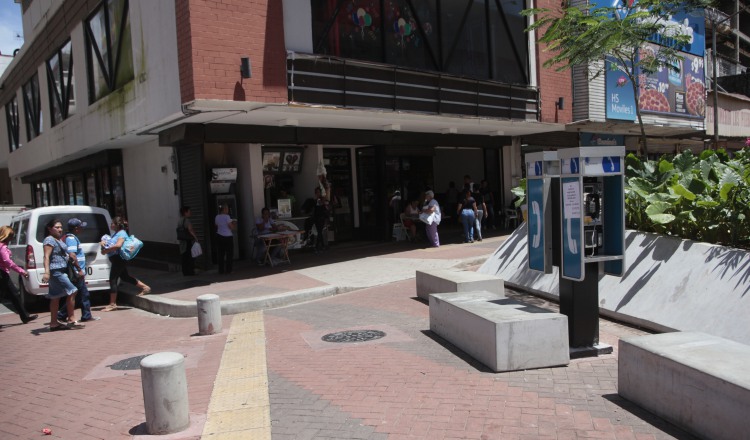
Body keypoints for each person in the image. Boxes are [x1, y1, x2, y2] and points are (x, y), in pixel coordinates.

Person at [100, 216, 151, 311]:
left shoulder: (122, 233)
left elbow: (118, 245)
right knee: (125, 277)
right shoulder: (116, 233)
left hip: (119, 259)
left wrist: (107, 250)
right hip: (116, 259)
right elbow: (111, 243)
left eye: (112, 223)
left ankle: (112, 304)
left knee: (113, 279)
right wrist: (103, 243)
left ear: (117, 225)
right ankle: (145, 287)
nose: (111, 224)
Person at [42, 219, 83, 330]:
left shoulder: (57, 239)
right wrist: (46, 272)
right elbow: (46, 256)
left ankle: (54, 323)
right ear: (50, 229)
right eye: (57, 227)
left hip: (61, 270)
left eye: (61, 227)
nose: (60, 229)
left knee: (55, 297)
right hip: (56, 271)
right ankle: (71, 318)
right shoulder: (49, 240)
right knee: (73, 290)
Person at [57, 218, 99, 323]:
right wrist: (79, 269)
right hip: (76, 272)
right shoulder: (71, 239)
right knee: (82, 294)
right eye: (80, 227)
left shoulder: (71, 237)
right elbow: (72, 255)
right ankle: (80, 315)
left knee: (78, 294)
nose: (82, 229)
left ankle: (66, 315)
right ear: (76, 229)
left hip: (77, 271)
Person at [0, 226, 37, 324]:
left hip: (3, 273)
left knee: (14, 294)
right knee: (12, 294)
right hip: (2, 274)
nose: (12, 238)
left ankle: (25, 316)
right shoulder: (2, 247)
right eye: (11, 236)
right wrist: (21, 271)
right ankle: (25, 316)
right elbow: (8, 262)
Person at [301, 187, 330, 253]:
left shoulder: (322, 200)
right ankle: (321, 246)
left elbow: (324, 206)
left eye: (318, 192)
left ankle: (319, 246)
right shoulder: (314, 201)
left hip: (321, 218)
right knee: (319, 232)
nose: (317, 193)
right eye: (316, 192)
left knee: (319, 231)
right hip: (316, 218)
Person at [214, 204, 236, 274]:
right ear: (224, 209)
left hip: (219, 236)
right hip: (228, 237)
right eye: (227, 208)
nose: (228, 210)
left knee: (221, 254)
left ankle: (221, 270)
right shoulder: (227, 217)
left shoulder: (217, 217)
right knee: (229, 254)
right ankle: (228, 270)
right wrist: (234, 223)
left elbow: (216, 225)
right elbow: (231, 227)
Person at [178, 206, 198, 276]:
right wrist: (196, 238)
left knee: (184, 257)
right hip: (187, 241)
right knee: (189, 256)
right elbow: (190, 230)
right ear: (185, 212)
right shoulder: (187, 220)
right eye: (189, 211)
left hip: (182, 241)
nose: (190, 213)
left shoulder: (180, 220)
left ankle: (185, 272)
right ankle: (190, 271)